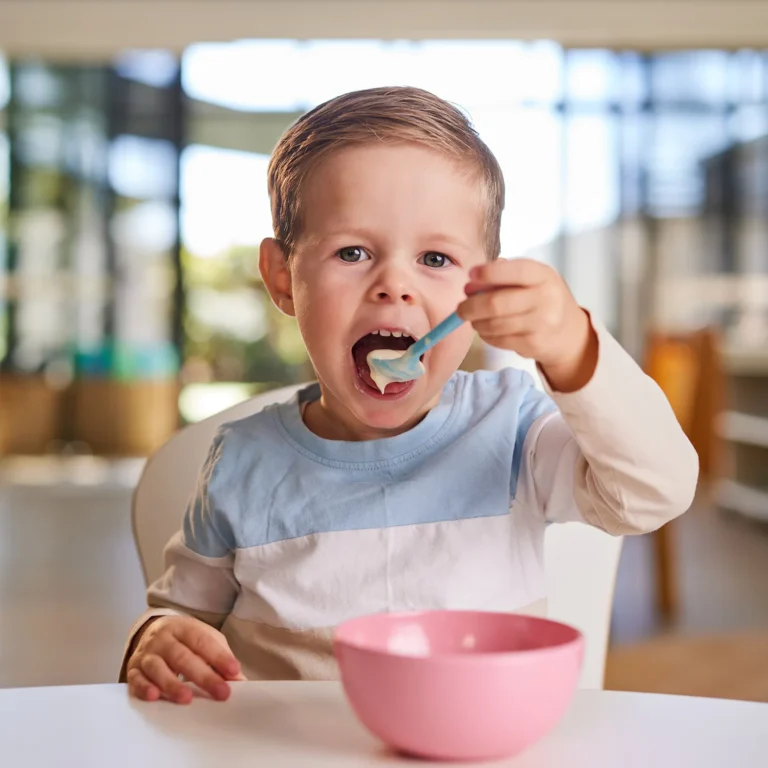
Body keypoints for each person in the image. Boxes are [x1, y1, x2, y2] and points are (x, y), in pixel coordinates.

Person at [122, 86, 698, 704]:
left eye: (434, 257)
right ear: (283, 279)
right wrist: (157, 639)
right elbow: (180, 619)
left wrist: (575, 348)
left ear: (478, 291)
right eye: (353, 252)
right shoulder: (239, 462)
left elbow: (654, 493)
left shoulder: (512, 431)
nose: (393, 284)